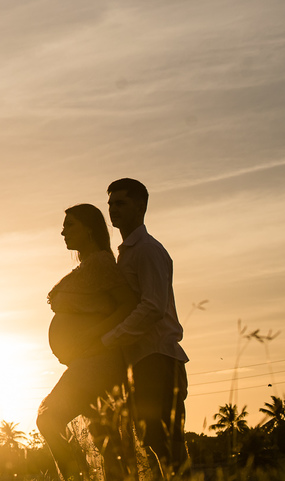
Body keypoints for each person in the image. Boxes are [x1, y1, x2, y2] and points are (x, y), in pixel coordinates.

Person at [38, 204, 137, 481]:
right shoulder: (87, 266)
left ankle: (78, 478)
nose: (63, 232)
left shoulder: (102, 263)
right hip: (88, 362)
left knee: (48, 418)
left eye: (70, 225)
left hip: (98, 362)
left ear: (90, 229)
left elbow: (129, 304)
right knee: (107, 441)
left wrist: (91, 336)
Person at [102, 178, 189, 478]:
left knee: (165, 443)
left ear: (140, 207)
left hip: (158, 358)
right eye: (110, 204)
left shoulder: (148, 250)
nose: (113, 209)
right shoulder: (126, 252)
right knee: (152, 442)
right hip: (142, 360)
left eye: (121, 203)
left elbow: (152, 307)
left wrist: (110, 339)